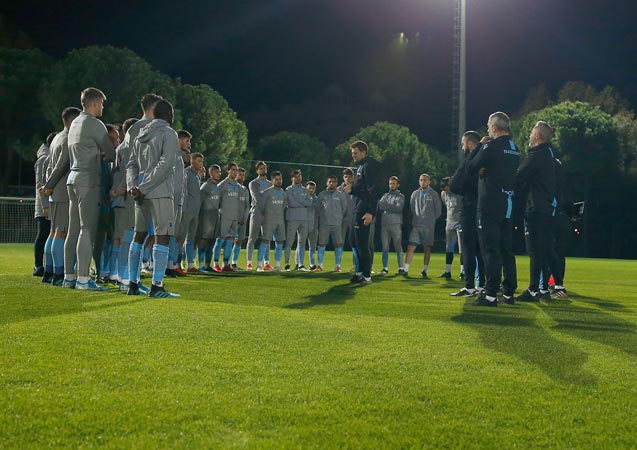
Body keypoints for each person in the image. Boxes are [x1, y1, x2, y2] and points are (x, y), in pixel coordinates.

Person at [126, 99, 180, 298]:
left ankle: (133, 283)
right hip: (160, 191)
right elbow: (166, 164)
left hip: (140, 192)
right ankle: (157, 286)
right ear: (168, 115)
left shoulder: (141, 134)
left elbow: (131, 164)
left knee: (139, 235)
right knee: (162, 235)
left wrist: (134, 186)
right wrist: (145, 186)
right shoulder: (168, 133)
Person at [466, 112, 520, 306]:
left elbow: (470, 167)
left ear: (494, 128)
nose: (488, 128)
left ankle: (489, 294)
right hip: (508, 202)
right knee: (506, 250)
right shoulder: (515, 148)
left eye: (489, 125)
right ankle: (508, 293)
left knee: (490, 250)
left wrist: (480, 146)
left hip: (489, 204)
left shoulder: (490, 146)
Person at [65, 87, 116, 291]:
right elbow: (111, 153)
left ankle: (69, 276)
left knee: (73, 230)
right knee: (87, 230)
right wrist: (102, 155)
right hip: (88, 179)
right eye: (102, 103)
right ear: (94, 103)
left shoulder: (75, 123)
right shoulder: (95, 124)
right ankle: (84, 279)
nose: (103, 107)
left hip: (73, 178)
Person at [514, 121, 557, 302]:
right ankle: (542, 289)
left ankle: (533, 290)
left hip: (535, 208)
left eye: (532, 133)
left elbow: (517, 177)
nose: (530, 136)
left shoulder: (537, 155)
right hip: (546, 208)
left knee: (534, 251)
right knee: (543, 249)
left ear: (537, 136)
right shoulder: (549, 154)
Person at [40, 108, 82, 286]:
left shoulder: (57, 138)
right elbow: (61, 166)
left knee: (54, 232)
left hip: (55, 192)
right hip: (63, 190)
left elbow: (50, 166)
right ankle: (58, 273)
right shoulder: (67, 139)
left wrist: (48, 186)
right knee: (62, 232)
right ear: (73, 121)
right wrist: (49, 185)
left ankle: (49, 270)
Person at [449, 131, 486, 297]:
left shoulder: (470, 162)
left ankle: (470, 286)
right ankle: (482, 285)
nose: (462, 147)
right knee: (481, 250)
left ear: (470, 143)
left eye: (463, 143)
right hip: (484, 209)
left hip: (470, 209)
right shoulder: (485, 159)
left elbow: (454, 184)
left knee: (468, 249)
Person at [109, 117, 138, 290]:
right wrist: (119, 190)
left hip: (121, 198)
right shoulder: (128, 148)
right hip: (124, 199)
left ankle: (117, 274)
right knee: (123, 238)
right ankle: (122, 278)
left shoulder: (122, 148)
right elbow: (127, 174)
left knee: (121, 238)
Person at [346, 141, 380, 285]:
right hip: (357, 207)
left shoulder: (369, 165)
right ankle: (359, 273)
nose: (353, 155)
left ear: (363, 152)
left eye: (355, 153)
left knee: (362, 243)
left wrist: (370, 212)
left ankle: (367, 276)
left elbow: (373, 190)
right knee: (353, 240)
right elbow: (361, 188)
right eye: (352, 153)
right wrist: (352, 189)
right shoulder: (360, 166)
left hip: (364, 209)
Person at [402, 174, 441, 278]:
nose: (422, 182)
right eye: (421, 180)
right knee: (411, 246)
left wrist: (431, 221)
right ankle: (405, 269)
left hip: (428, 226)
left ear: (429, 181)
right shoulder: (415, 194)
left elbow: (438, 211)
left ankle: (424, 270)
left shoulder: (434, 194)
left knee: (427, 248)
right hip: (416, 225)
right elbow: (411, 208)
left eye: (425, 180)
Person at [315, 175, 349, 272]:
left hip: (337, 224)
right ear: (327, 183)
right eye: (330, 181)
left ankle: (338, 266)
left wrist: (338, 218)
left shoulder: (340, 195)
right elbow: (318, 208)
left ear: (336, 183)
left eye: (333, 182)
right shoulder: (321, 194)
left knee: (338, 244)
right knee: (321, 244)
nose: (331, 183)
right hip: (324, 224)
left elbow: (344, 208)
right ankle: (320, 265)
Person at [33, 133, 55, 279]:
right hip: (44, 206)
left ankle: (46, 265)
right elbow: (40, 184)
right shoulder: (43, 159)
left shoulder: (47, 157)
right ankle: (38, 265)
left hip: (49, 203)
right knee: (43, 234)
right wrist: (44, 206)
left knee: (48, 234)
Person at [176, 152, 203, 273]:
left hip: (195, 211)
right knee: (181, 237)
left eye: (201, 161)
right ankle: (176, 263)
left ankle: (190, 265)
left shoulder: (197, 175)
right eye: (199, 161)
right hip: (187, 210)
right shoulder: (186, 173)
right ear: (192, 161)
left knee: (191, 238)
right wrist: (184, 208)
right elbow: (184, 192)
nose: (201, 164)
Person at [212, 163, 242, 272]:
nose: (235, 172)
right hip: (224, 216)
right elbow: (216, 201)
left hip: (235, 217)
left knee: (231, 240)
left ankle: (226, 264)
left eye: (236, 170)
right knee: (220, 240)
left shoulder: (238, 186)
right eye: (233, 169)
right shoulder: (222, 185)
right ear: (228, 171)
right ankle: (215, 263)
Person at [171, 132, 193, 275]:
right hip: (172, 199)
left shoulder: (180, 156)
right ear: (178, 140)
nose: (188, 144)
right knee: (170, 234)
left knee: (177, 235)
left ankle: (172, 264)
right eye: (186, 140)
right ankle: (165, 265)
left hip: (180, 200)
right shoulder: (172, 154)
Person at [246, 161, 273, 270]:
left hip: (267, 213)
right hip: (256, 212)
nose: (263, 170)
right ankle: (249, 262)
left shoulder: (271, 184)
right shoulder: (253, 183)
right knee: (252, 237)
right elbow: (257, 198)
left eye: (264, 168)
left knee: (267, 238)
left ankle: (266, 262)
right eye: (261, 168)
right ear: (257, 170)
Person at [258, 171, 287, 271]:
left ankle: (277, 265)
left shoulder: (284, 193)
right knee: (265, 241)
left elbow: (284, 206)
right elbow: (261, 207)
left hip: (280, 220)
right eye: (276, 179)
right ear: (272, 180)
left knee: (279, 242)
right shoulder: (267, 193)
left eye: (280, 179)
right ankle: (259, 265)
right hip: (269, 220)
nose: (279, 181)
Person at [284, 169, 313, 271]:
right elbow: (291, 204)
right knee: (289, 242)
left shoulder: (305, 190)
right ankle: (287, 264)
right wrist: (303, 202)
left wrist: (298, 200)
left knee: (302, 242)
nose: (298, 178)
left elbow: (310, 203)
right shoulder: (288, 190)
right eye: (296, 176)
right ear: (292, 178)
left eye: (299, 176)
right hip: (292, 218)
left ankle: (300, 264)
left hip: (304, 219)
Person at [377, 176, 405, 275]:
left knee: (398, 246)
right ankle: (385, 268)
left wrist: (387, 206)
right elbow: (380, 206)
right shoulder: (385, 195)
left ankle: (401, 268)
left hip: (396, 224)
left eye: (393, 184)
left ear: (398, 185)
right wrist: (391, 206)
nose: (391, 185)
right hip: (385, 224)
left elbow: (399, 208)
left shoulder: (401, 196)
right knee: (385, 247)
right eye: (390, 184)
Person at [198, 164, 222, 271]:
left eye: (219, 172)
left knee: (212, 240)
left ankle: (208, 264)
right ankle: (201, 265)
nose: (219, 174)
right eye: (216, 172)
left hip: (215, 216)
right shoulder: (205, 186)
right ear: (211, 173)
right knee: (204, 239)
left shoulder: (219, 186)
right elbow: (200, 201)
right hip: (206, 215)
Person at [439, 176, 463, 279]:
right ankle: (447, 271)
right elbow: (447, 206)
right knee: (449, 248)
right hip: (449, 222)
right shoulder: (443, 194)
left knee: (462, 249)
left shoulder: (459, 193)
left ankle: (463, 272)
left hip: (460, 222)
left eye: (446, 188)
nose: (445, 190)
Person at [232, 167, 251, 269]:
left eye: (243, 175)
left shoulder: (245, 190)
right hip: (233, 219)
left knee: (239, 241)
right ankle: (223, 263)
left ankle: (234, 263)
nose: (242, 177)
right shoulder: (233, 188)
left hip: (243, 220)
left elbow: (247, 205)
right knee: (229, 240)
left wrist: (245, 217)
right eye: (240, 174)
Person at [303, 180, 320, 270]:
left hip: (314, 226)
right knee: (301, 245)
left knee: (312, 247)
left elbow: (319, 211)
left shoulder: (317, 199)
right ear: (306, 188)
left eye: (313, 188)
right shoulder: (302, 198)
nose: (311, 190)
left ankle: (312, 264)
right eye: (309, 188)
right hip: (303, 225)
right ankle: (299, 263)